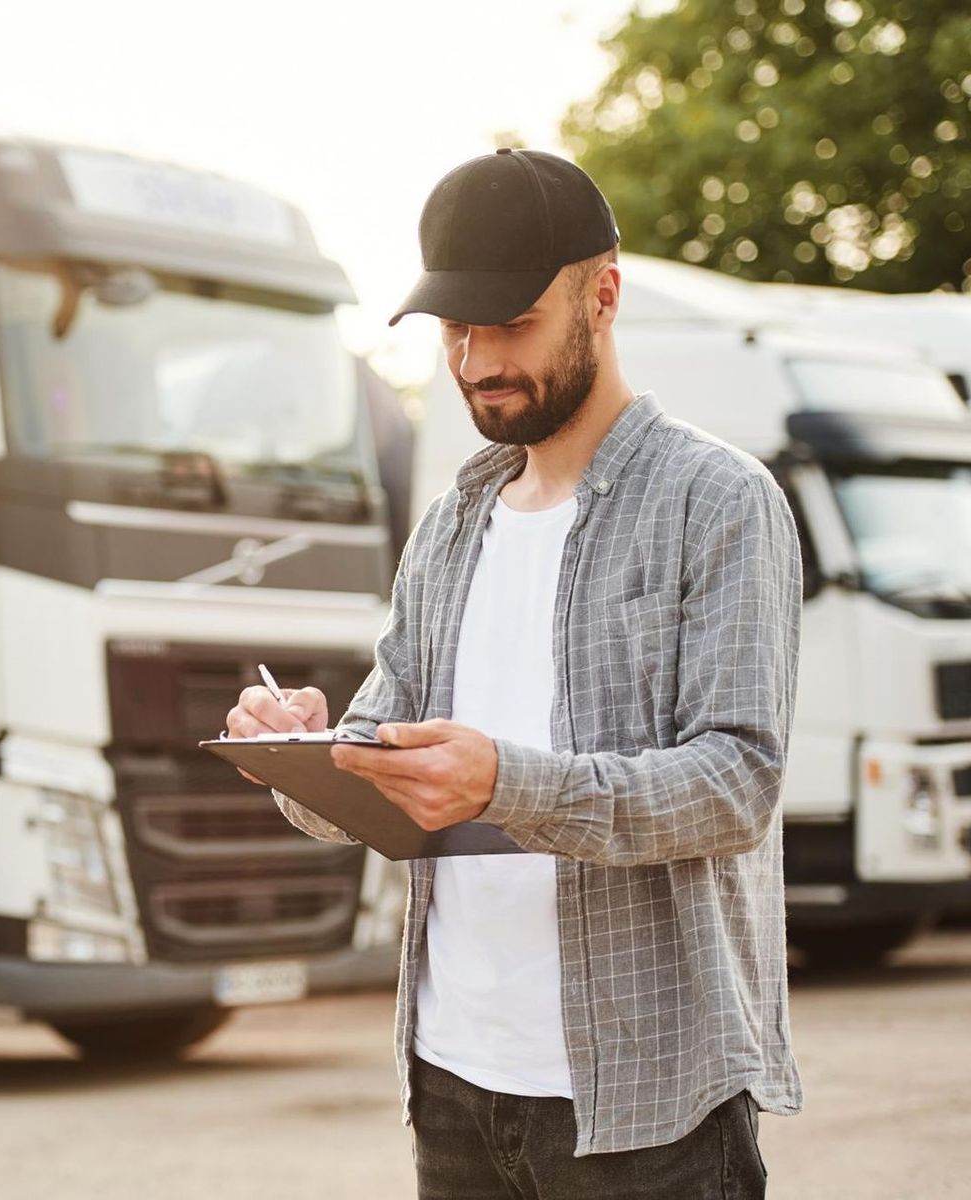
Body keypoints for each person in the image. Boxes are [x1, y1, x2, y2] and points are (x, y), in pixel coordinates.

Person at [224, 149, 801, 1199]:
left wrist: (505, 784)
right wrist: (299, 754)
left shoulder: (717, 501)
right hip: (452, 1086)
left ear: (603, 294)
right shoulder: (447, 526)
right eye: (455, 327)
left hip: (646, 1107)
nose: (477, 358)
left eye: (510, 322)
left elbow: (735, 785)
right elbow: (378, 784)